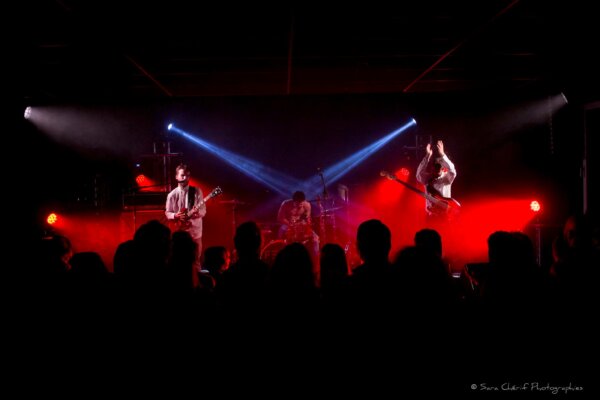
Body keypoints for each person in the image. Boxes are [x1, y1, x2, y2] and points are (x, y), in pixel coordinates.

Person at [165, 163, 206, 272]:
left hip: (195, 233)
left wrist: (197, 213)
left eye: (187, 175)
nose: (185, 178)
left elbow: (203, 211)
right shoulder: (172, 195)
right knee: (178, 262)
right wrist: (175, 215)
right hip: (179, 233)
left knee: (196, 261)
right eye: (182, 175)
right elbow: (167, 212)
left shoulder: (197, 191)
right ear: (176, 177)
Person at [416, 140, 457, 218]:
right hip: (430, 216)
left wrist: (443, 155)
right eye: (434, 169)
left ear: (443, 169)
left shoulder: (447, 179)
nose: (435, 171)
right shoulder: (427, 178)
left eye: (438, 169)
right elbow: (419, 174)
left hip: (444, 216)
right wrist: (427, 156)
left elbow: (452, 170)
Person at [277, 191, 320, 257]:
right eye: (298, 202)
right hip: (288, 224)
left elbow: (308, 219)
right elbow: (280, 218)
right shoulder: (286, 204)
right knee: (281, 232)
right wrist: (290, 224)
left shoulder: (307, 205)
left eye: (302, 202)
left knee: (315, 239)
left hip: (301, 225)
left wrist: (306, 224)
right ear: (294, 201)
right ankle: (282, 255)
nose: (300, 204)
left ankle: (315, 259)